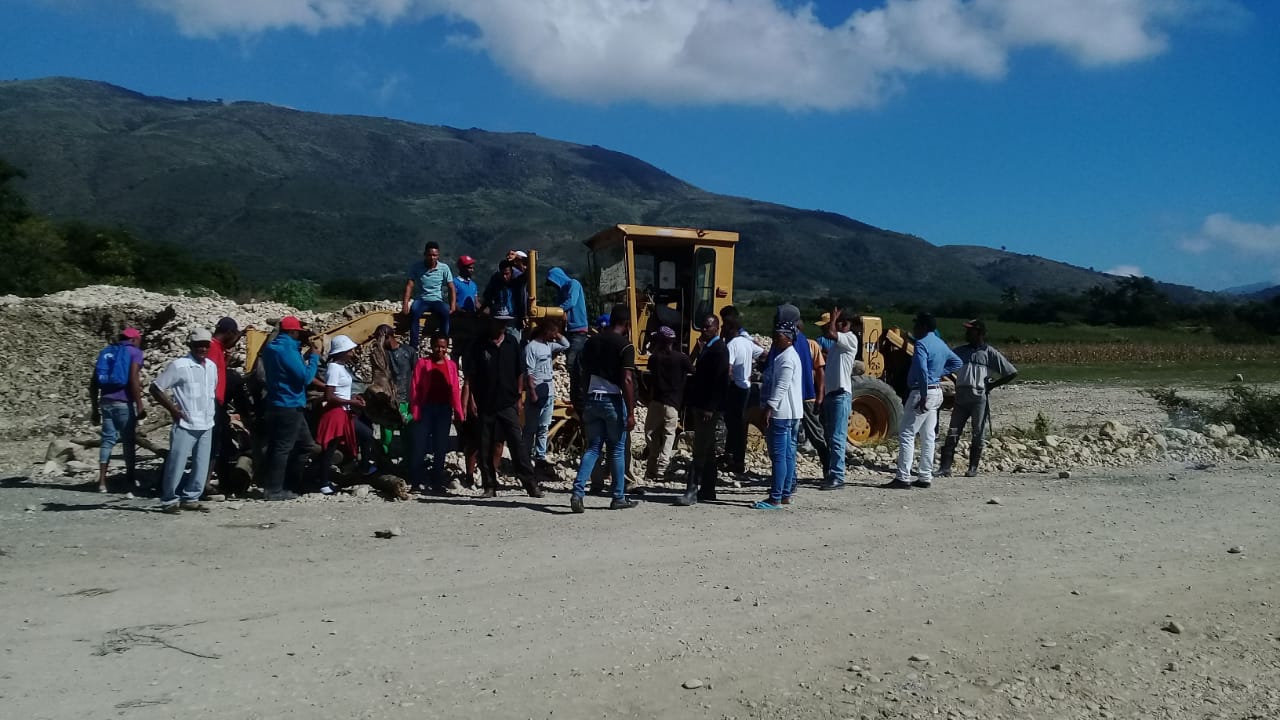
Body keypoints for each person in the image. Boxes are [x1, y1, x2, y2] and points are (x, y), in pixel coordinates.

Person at [461, 315, 542, 499]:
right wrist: (471, 400)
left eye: (505, 322)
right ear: (491, 321)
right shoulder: (479, 344)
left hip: (508, 402)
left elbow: (519, 371)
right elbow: (470, 375)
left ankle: (530, 484)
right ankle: (489, 486)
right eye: (499, 321)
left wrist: (520, 396)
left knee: (517, 444)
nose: (503, 325)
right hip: (485, 403)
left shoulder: (512, 342)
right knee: (484, 446)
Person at [883, 313, 963, 490]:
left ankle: (903, 477)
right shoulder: (940, 343)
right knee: (928, 436)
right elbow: (957, 362)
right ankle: (925, 475)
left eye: (917, 325)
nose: (915, 329)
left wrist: (925, 392)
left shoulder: (921, 344)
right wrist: (939, 372)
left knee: (907, 433)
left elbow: (921, 369)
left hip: (922, 392)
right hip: (937, 392)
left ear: (924, 327)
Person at [571, 304, 639, 513]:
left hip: (592, 399)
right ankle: (618, 496)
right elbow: (627, 379)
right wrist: (631, 411)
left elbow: (581, 371)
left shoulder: (591, 343)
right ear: (627, 324)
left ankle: (578, 492)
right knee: (617, 450)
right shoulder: (625, 346)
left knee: (593, 448)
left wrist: (582, 400)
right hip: (612, 401)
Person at [149, 328, 219, 513]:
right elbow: (156, 388)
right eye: (198, 345)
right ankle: (169, 500)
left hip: (206, 421)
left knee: (201, 463)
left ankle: (191, 497)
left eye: (205, 345)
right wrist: (173, 410)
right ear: (191, 345)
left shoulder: (211, 367)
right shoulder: (179, 366)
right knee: (177, 462)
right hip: (186, 422)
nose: (202, 349)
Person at [939, 319, 1019, 478]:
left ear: (979, 333)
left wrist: (992, 385)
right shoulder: (959, 351)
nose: (967, 333)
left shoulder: (989, 353)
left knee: (978, 433)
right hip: (961, 397)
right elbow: (944, 366)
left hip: (978, 398)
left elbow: (1011, 372)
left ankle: (972, 468)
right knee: (953, 432)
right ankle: (945, 467)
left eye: (970, 331)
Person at [258, 316, 320, 501]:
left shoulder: (271, 349)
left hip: (276, 402)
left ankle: (289, 483)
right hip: (290, 404)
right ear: (293, 332)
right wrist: (315, 357)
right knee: (283, 448)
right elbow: (305, 378)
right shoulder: (288, 350)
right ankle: (275, 489)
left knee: (304, 445)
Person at [315, 335, 376, 493]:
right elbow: (329, 396)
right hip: (336, 413)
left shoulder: (341, 367)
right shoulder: (334, 368)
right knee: (330, 447)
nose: (352, 352)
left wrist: (352, 398)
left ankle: (363, 467)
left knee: (366, 434)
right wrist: (351, 402)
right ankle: (323, 482)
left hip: (344, 411)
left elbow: (340, 392)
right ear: (342, 351)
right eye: (350, 350)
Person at [678, 315, 728, 506]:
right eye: (703, 327)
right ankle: (708, 488)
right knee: (707, 450)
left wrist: (710, 407)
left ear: (716, 327)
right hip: (701, 404)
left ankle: (691, 491)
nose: (703, 330)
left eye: (708, 327)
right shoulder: (706, 347)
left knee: (700, 449)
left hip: (708, 408)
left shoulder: (720, 349)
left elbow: (720, 381)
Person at [90, 327, 147, 493]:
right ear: (134, 339)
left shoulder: (107, 352)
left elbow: (93, 383)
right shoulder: (135, 353)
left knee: (107, 441)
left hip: (106, 402)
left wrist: (95, 409)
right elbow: (133, 380)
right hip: (124, 403)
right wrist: (140, 404)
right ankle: (130, 479)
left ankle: (101, 482)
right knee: (128, 441)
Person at [755, 321, 803, 510]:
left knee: (779, 456)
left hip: (782, 413)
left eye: (779, 335)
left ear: (789, 338)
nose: (775, 338)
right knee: (789, 455)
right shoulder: (790, 356)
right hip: (792, 413)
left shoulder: (787, 358)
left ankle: (775, 497)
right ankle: (785, 494)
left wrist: (769, 408)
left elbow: (781, 386)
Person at [409, 334, 464, 493]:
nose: (440, 350)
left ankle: (436, 482)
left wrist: (458, 411)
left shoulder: (451, 365)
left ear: (447, 348)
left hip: (444, 410)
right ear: (431, 346)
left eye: (443, 347)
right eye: (437, 346)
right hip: (425, 408)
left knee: (440, 447)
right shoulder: (422, 364)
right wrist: (416, 410)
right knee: (420, 446)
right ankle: (415, 482)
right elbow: (415, 388)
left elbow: (454, 389)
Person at [643, 326, 691, 482]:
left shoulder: (654, 358)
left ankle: (651, 467)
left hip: (656, 402)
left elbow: (649, 379)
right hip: (673, 404)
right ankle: (663, 468)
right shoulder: (682, 359)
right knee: (669, 435)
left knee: (651, 434)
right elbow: (692, 371)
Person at [819, 308, 859, 490]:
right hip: (832, 394)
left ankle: (838, 475)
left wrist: (833, 318)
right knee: (830, 436)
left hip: (840, 394)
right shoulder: (837, 345)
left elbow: (831, 333)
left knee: (837, 437)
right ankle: (832, 472)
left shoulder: (849, 338)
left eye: (841, 322)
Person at [523, 318, 569, 470]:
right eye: (553, 332)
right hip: (537, 390)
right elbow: (529, 372)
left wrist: (558, 335)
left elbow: (566, 345)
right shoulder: (531, 347)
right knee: (531, 427)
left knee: (544, 426)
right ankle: (525, 456)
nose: (555, 335)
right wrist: (533, 392)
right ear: (545, 331)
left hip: (549, 390)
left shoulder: (548, 346)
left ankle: (540, 456)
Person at [720, 306, 762, 475]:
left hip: (736, 389)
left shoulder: (733, 344)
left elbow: (727, 369)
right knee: (739, 426)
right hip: (746, 386)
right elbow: (764, 354)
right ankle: (735, 458)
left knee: (734, 425)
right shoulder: (747, 341)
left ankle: (735, 460)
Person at [206, 317, 243, 490]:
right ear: (228, 332)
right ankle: (205, 484)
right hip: (212, 403)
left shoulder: (217, 348)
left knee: (221, 442)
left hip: (216, 402)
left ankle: (218, 481)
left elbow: (220, 370)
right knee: (214, 445)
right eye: (234, 334)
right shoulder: (213, 349)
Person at [546, 266, 589, 410]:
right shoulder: (560, 293)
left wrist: (556, 310)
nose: (552, 286)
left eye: (552, 283)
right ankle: (575, 397)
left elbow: (571, 301)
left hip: (578, 330)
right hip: (568, 331)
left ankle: (580, 398)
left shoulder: (573, 284)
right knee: (571, 365)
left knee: (574, 364)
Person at [402, 241, 456, 349]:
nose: (432, 258)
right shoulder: (417, 267)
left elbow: (451, 287)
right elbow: (409, 285)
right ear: (425, 255)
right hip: (422, 299)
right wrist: (405, 303)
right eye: (430, 255)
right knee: (415, 311)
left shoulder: (444, 268)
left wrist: (452, 305)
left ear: (438, 255)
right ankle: (414, 346)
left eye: (435, 255)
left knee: (445, 312)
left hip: (437, 300)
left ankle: (444, 340)